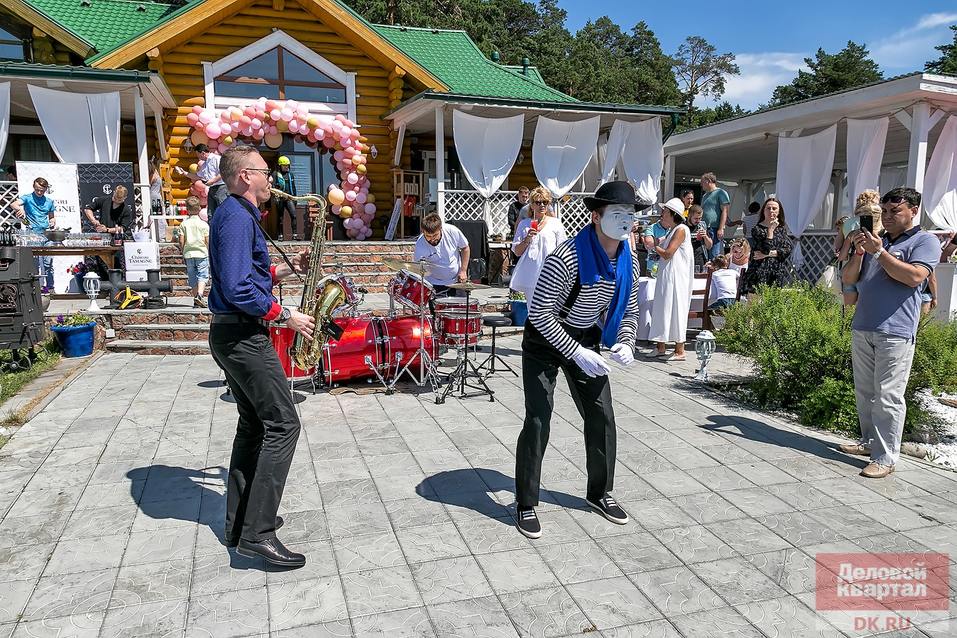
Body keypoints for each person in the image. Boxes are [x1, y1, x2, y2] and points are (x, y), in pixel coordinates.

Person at [514, 180, 647, 539]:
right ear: (595, 216)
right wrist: (575, 352)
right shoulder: (567, 257)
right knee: (538, 418)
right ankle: (525, 501)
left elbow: (629, 309)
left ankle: (599, 493)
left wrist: (626, 341)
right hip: (544, 337)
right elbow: (539, 312)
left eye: (630, 216)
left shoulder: (628, 264)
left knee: (601, 414)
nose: (625, 221)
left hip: (585, 335)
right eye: (617, 214)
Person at [207, 144, 315, 567]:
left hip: (233, 334)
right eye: (264, 171)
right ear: (243, 177)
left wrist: (288, 270)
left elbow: (247, 275)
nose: (271, 179)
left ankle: (241, 523)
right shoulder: (235, 216)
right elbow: (236, 289)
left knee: (252, 425)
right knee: (284, 424)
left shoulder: (238, 216)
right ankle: (258, 533)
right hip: (243, 337)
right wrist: (284, 314)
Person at [840, 187, 941, 479]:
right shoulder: (877, 241)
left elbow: (914, 277)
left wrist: (879, 252)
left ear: (913, 210)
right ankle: (869, 443)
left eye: (894, 211)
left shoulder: (926, 241)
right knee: (866, 392)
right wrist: (860, 253)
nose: (887, 216)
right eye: (884, 211)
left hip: (896, 331)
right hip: (863, 325)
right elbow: (849, 280)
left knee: (888, 396)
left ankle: (885, 457)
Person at [648, 197, 694, 361]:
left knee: (675, 308)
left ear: (673, 214)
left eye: (665, 212)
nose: (662, 215)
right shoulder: (673, 230)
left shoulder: (681, 229)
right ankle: (660, 346)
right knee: (663, 307)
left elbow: (668, 253)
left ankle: (680, 350)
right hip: (668, 275)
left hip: (676, 277)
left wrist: (654, 246)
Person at [510, 186, 567, 301]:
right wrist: (527, 239)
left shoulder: (555, 223)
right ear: (532, 204)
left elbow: (563, 250)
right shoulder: (524, 224)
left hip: (550, 273)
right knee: (532, 309)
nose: (542, 205)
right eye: (538, 202)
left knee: (549, 307)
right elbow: (516, 251)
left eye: (545, 202)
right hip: (530, 273)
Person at [838, 191, 884, 306]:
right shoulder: (883, 226)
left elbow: (839, 250)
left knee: (849, 315)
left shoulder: (848, 223)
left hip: (852, 268)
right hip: (873, 271)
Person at [740, 198, 793, 296]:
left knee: (771, 306)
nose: (771, 211)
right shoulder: (757, 229)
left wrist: (768, 254)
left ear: (779, 211)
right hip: (759, 271)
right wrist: (770, 231)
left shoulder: (781, 229)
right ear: (763, 211)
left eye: (774, 208)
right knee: (754, 305)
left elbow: (787, 250)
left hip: (776, 271)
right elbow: (765, 249)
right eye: (768, 208)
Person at [11, 177, 56, 289]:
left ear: (46, 189)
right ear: (33, 187)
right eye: (37, 189)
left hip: (46, 235)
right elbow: (13, 204)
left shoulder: (49, 201)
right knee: (34, 263)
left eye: (42, 190)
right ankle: (35, 288)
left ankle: (50, 288)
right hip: (32, 235)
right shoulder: (28, 198)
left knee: (48, 263)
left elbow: (52, 217)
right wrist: (19, 209)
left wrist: (52, 221)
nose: (39, 192)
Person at [413, 214, 470, 295]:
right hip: (435, 283)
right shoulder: (420, 244)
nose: (432, 239)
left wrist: (463, 271)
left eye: (435, 235)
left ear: (441, 229)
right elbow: (418, 267)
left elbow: (465, 248)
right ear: (423, 232)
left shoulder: (452, 231)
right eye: (428, 236)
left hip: (457, 280)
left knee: (461, 306)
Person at [177, 144, 226, 217]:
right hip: (211, 189)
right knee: (211, 213)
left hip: (221, 188)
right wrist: (184, 173)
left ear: (203, 153)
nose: (197, 157)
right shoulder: (205, 164)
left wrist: (213, 180)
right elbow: (197, 176)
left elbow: (223, 171)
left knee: (222, 210)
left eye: (198, 154)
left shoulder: (217, 158)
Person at [179, 196, 210, 308]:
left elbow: (181, 240)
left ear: (187, 209)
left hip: (189, 253)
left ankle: (195, 298)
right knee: (203, 275)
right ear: (199, 209)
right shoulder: (204, 224)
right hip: (202, 253)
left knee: (192, 276)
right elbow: (207, 240)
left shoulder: (184, 224)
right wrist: (207, 250)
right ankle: (200, 295)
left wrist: (183, 251)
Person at [699, 172, 730, 258]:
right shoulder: (705, 195)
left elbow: (725, 211)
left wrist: (720, 228)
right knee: (704, 254)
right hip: (704, 228)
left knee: (714, 255)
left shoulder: (721, 192)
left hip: (715, 228)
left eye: (702, 182)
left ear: (708, 181)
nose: (701, 185)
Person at [271, 156, 299, 240]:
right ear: (280, 166)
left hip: (289, 198)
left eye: (287, 165)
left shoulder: (290, 175)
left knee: (293, 215)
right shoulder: (275, 174)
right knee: (280, 217)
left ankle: (294, 235)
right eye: (284, 165)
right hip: (280, 198)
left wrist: (295, 198)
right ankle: (280, 235)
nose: (286, 167)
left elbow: (293, 187)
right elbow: (272, 187)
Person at [641, 211, 669, 276]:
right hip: (652, 269)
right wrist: (665, 237)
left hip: (667, 268)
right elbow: (649, 244)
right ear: (662, 217)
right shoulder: (651, 228)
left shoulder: (673, 229)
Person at [686, 204, 712, 269]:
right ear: (689, 216)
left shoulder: (702, 225)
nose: (698, 221)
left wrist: (705, 236)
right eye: (695, 218)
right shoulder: (683, 226)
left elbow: (709, 246)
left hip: (700, 260)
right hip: (686, 260)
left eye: (700, 218)